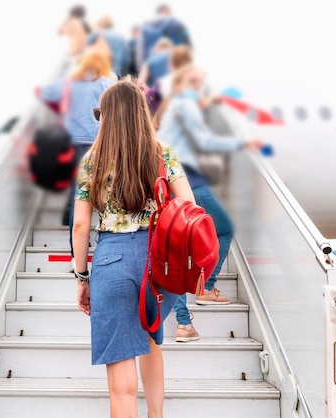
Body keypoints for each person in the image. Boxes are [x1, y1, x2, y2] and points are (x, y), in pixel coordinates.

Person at [72, 79, 196, 417]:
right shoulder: (162, 151)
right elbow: (189, 205)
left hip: (112, 262)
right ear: (141, 113)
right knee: (150, 338)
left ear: (107, 116)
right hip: (159, 262)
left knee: (121, 386)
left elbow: (81, 225)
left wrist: (82, 276)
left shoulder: (92, 161)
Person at [153, 64, 263, 342]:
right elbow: (203, 141)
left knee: (178, 251)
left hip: (169, 185)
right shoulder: (186, 105)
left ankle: (184, 323)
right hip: (189, 182)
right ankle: (206, 287)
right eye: (195, 81)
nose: (199, 86)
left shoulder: (167, 109)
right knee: (225, 228)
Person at [35, 49, 115, 264]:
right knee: (105, 195)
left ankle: (75, 255)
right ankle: (106, 246)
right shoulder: (107, 84)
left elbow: (42, 92)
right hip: (98, 146)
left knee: (77, 197)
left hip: (70, 144)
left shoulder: (69, 84)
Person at [135, 3, 192, 72]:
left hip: (151, 70)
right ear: (167, 11)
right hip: (175, 68)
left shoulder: (145, 26)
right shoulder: (177, 24)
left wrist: (142, 69)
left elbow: (140, 51)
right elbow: (188, 46)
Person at [86, 15, 131, 79]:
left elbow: (86, 53)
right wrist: (122, 75)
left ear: (100, 24)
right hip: (115, 75)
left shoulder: (96, 34)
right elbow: (126, 60)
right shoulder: (121, 37)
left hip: (99, 73)